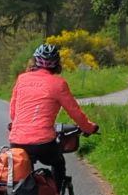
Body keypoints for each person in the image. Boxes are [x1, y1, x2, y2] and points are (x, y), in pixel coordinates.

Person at [8, 44, 98, 183]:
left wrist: (17, 125)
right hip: (43, 143)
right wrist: (89, 128)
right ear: (57, 64)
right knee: (58, 163)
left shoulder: (22, 79)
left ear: (35, 61)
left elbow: (13, 111)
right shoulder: (59, 84)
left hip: (17, 140)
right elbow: (75, 112)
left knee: (22, 174)